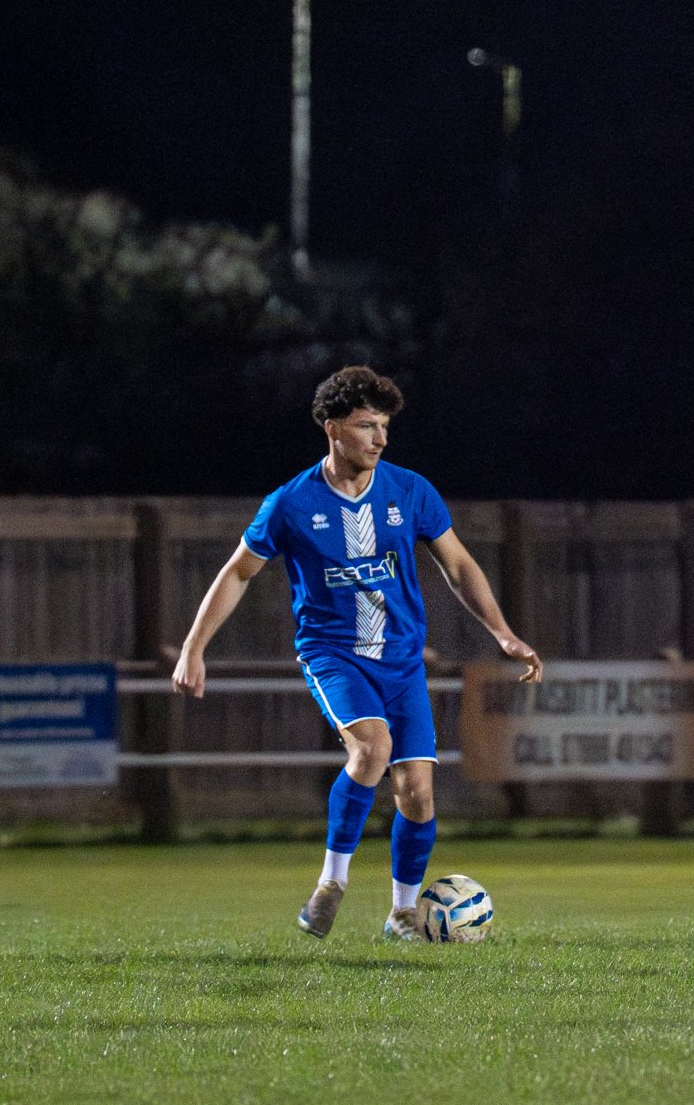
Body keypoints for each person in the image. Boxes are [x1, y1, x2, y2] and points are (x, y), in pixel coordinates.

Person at [171, 367, 543, 940]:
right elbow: (237, 573)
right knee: (372, 748)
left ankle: (401, 914)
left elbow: (459, 564)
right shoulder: (291, 502)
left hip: (401, 663)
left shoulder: (409, 491)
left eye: (385, 426)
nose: (380, 438)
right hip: (334, 656)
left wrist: (501, 631)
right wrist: (195, 647)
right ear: (333, 429)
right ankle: (331, 885)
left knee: (417, 791)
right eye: (367, 425)